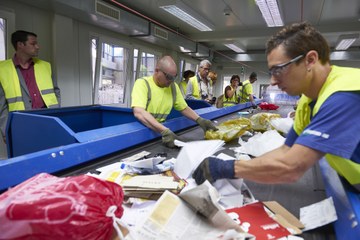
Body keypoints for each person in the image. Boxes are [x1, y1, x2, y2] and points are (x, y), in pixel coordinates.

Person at [192, 22, 360, 192]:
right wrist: (235, 165)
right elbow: (286, 152)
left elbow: (291, 167)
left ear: (310, 60)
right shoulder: (307, 101)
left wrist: (227, 168)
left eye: (278, 70)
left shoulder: (344, 95)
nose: (272, 81)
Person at [131, 55, 217, 148]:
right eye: (168, 77)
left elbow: (183, 108)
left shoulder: (173, 87)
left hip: (160, 132)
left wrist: (200, 120)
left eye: (174, 77)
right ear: (156, 71)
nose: (171, 81)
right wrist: (165, 131)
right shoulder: (143, 83)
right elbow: (139, 112)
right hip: (141, 134)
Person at [0, 30, 61, 143]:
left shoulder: (45, 66)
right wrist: (5, 130)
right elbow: (1, 105)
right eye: (33, 44)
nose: (37, 47)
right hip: (20, 124)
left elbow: (56, 91)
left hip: (48, 120)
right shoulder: (2, 69)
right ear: (20, 45)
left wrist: (57, 114)